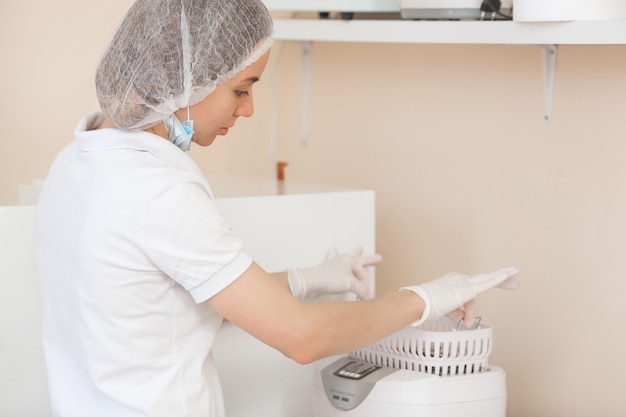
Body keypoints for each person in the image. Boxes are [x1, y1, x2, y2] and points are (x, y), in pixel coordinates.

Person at [36, 0, 520, 416]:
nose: (247, 110)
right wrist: (431, 296)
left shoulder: (77, 163)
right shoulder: (159, 191)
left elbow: (170, 301)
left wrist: (311, 279)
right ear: (190, 78)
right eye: (241, 89)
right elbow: (302, 338)